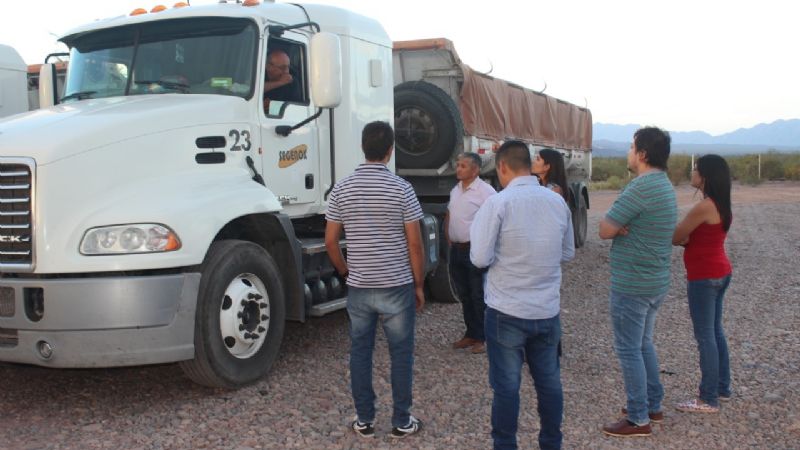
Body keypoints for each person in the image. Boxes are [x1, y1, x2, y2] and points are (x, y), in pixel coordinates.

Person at [470, 140, 575, 450]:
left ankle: (505, 445)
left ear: (502, 167)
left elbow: (479, 258)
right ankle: (551, 443)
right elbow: (567, 253)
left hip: (506, 310)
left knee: (506, 388)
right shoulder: (557, 202)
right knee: (550, 385)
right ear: (528, 165)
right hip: (546, 310)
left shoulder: (498, 203)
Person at [324, 121, 425, 439]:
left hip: (359, 286)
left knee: (360, 353)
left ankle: (364, 420)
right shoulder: (402, 188)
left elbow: (330, 241)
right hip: (396, 284)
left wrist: (346, 271)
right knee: (401, 354)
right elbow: (414, 243)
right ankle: (401, 421)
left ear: (363, 147)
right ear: (390, 150)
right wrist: (419, 284)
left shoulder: (342, 188)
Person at [598, 126, 677, 437]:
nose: (629, 153)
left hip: (633, 283)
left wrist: (618, 227)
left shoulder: (640, 188)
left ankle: (637, 417)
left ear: (642, 154)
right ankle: (652, 404)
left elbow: (604, 229)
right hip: (654, 280)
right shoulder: (664, 185)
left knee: (629, 348)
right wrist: (620, 227)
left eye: (632, 147)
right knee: (643, 343)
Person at [672, 154, 733, 413]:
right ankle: (722, 387)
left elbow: (675, 236)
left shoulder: (704, 206)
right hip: (720, 271)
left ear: (705, 175)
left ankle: (708, 399)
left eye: (696, 169)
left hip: (704, 276)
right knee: (715, 332)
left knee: (705, 336)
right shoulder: (721, 203)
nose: (692, 172)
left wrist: (686, 239)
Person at [446, 152, 496, 354]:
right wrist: (448, 236)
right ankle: (471, 333)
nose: (458, 169)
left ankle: (483, 338)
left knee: (478, 295)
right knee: (464, 294)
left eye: (463, 166)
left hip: (474, 250)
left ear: (476, 170)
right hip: (456, 250)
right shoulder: (455, 189)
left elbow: (493, 220)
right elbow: (450, 213)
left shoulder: (486, 192)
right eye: (457, 165)